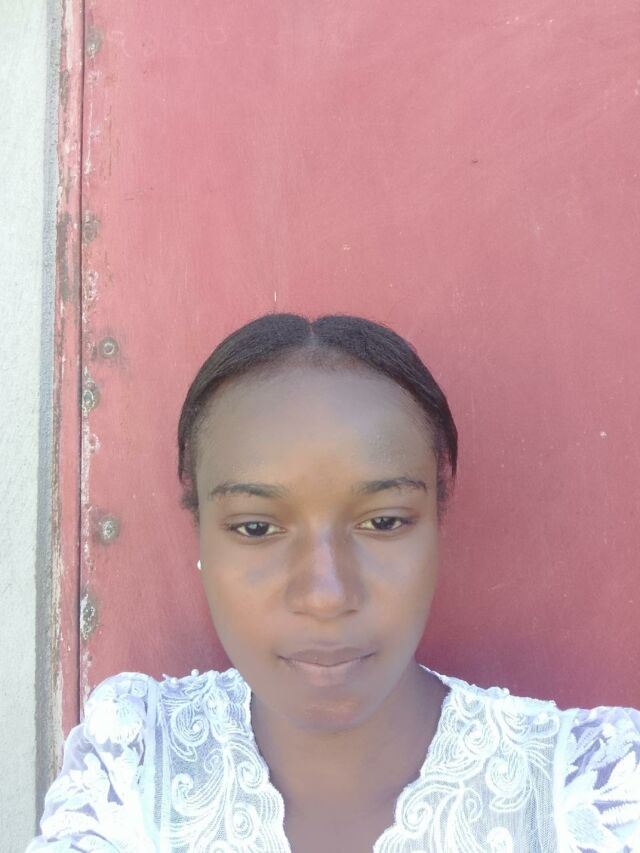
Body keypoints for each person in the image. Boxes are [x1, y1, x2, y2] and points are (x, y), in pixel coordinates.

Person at [29, 313, 639, 852]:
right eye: (257, 527)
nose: (326, 595)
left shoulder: (590, 790)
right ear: (201, 539)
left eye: (384, 522)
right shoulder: (132, 766)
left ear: (438, 526)